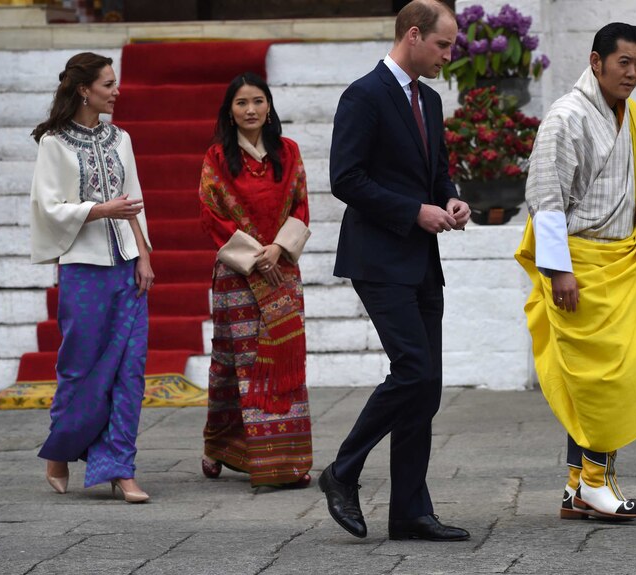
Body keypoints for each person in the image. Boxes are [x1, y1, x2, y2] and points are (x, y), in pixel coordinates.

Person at [319, 0, 472, 542]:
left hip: (422, 261)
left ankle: (409, 511)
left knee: (425, 386)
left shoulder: (428, 101)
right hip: (379, 258)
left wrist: (450, 200)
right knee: (411, 369)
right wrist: (413, 212)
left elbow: (438, 174)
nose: (448, 56)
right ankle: (342, 471)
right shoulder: (363, 95)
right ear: (413, 35)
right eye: (443, 45)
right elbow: (346, 178)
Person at [515, 23, 636, 521]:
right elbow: (546, 200)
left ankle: (576, 486)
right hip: (581, 264)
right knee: (603, 379)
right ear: (596, 60)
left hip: (624, 257)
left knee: (609, 376)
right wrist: (558, 270)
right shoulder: (566, 117)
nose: (632, 73)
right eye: (624, 62)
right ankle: (599, 482)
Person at [30, 52, 154, 503]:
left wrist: (143, 255)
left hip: (126, 263)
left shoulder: (122, 138)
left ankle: (121, 468)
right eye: (107, 84)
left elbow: (134, 200)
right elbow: (48, 208)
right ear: (84, 90)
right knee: (79, 367)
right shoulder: (54, 144)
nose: (116, 90)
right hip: (82, 268)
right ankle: (60, 447)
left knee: (130, 370)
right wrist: (101, 210)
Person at [198, 73, 313, 490]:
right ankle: (219, 445)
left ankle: (288, 461)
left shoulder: (289, 152)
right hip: (237, 275)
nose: (250, 110)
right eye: (242, 103)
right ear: (230, 111)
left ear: (269, 107)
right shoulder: (216, 158)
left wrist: (278, 250)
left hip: (282, 270)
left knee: (284, 364)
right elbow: (211, 214)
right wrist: (253, 256)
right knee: (235, 365)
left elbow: (301, 205)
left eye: (258, 101)